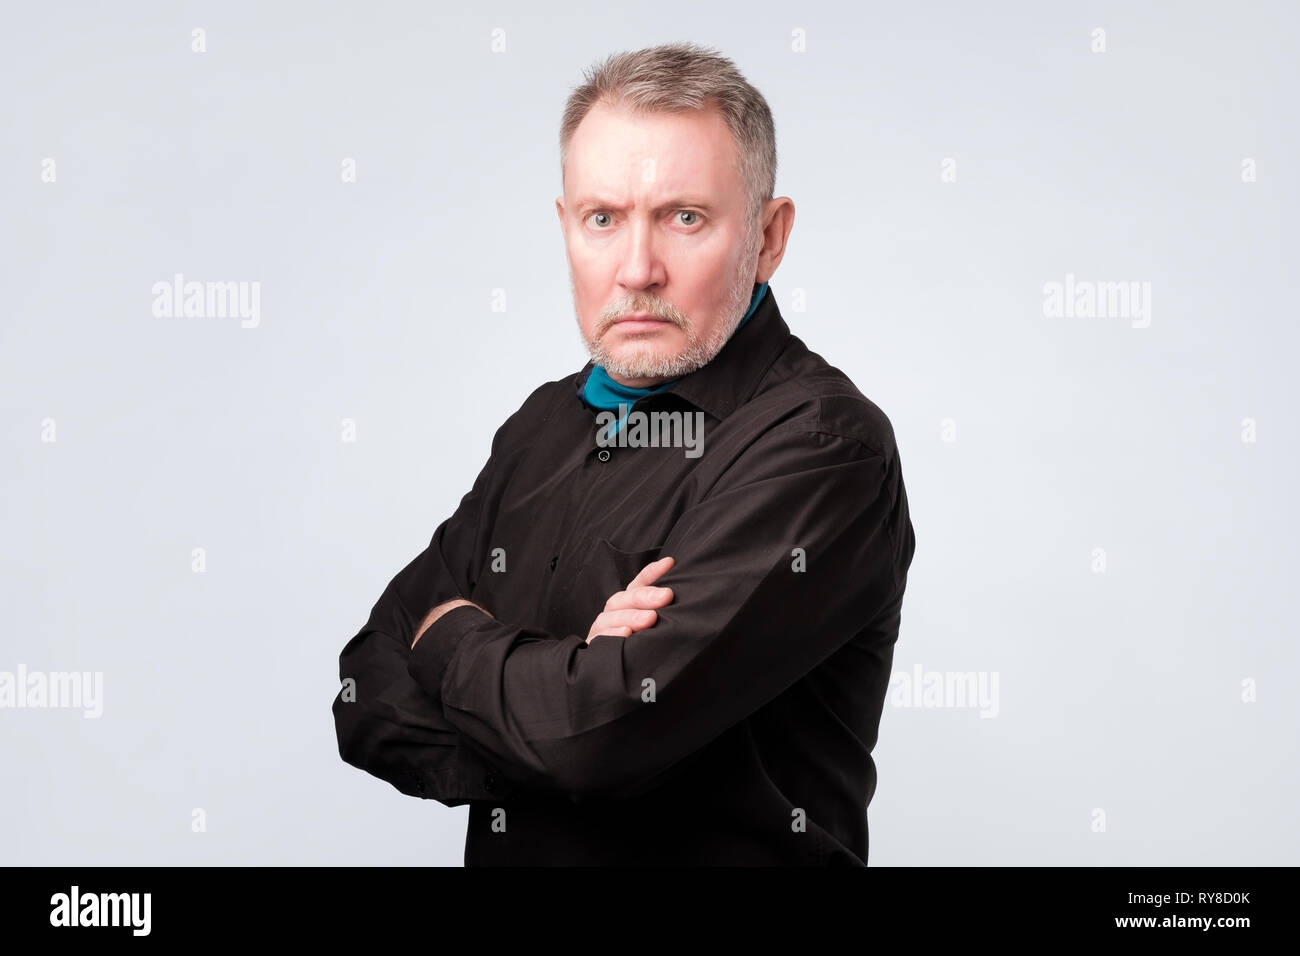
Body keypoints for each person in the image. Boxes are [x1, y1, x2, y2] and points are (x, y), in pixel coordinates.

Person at [332, 40, 916, 866]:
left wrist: (453, 639)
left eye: (685, 218)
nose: (637, 270)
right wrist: (563, 697)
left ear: (769, 237)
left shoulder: (824, 448)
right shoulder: (544, 424)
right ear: (566, 227)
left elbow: (592, 741)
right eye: (603, 219)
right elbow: (363, 697)